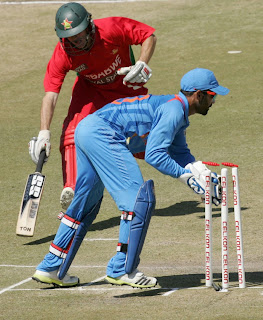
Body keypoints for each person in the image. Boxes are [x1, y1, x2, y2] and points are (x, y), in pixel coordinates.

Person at [32, 68, 229, 288]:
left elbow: (181, 154)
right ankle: (121, 269)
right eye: (212, 96)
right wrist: (189, 179)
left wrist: (202, 176)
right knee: (137, 200)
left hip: (87, 128)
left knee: (85, 204)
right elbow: (155, 155)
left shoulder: (176, 110)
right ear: (198, 95)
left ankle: (50, 266)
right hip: (102, 133)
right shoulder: (174, 111)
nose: (214, 101)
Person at [28, 2, 157, 213]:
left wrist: (142, 63)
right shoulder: (63, 52)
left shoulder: (112, 28)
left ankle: (190, 171)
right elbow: (50, 95)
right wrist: (44, 133)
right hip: (91, 91)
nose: (76, 42)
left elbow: (148, 35)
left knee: (146, 144)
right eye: (70, 38)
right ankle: (73, 190)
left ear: (89, 26)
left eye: (79, 36)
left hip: (125, 86)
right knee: (72, 131)